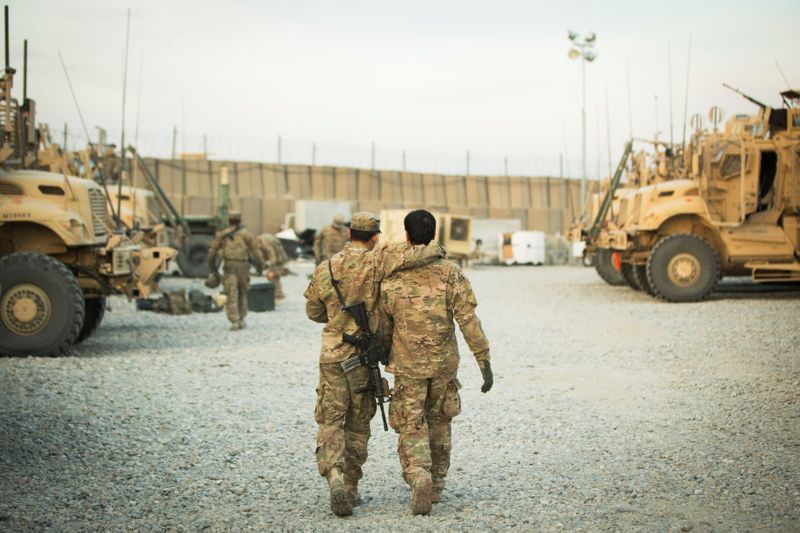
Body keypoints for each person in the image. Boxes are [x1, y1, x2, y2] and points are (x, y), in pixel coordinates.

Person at [304, 212, 444, 517]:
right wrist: (437, 250)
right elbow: (412, 257)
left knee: (330, 421)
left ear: (349, 234)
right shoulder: (377, 261)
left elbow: (313, 312)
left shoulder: (324, 268)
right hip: (361, 357)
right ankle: (351, 488)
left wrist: (335, 316)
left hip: (332, 357)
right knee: (357, 424)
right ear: (374, 236)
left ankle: (334, 477)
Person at [380, 209, 493, 515]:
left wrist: (382, 355)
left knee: (411, 423)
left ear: (406, 236)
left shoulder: (393, 277)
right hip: (443, 366)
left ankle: (419, 475)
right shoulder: (450, 273)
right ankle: (438, 485)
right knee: (441, 422)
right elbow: (468, 319)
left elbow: (384, 326)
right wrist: (484, 362)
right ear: (434, 235)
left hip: (408, 366)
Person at [206, 211, 264, 331]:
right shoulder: (246, 235)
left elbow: (212, 252)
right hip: (243, 267)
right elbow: (256, 252)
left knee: (231, 293)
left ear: (228, 221)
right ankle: (241, 318)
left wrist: (212, 268)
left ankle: (234, 321)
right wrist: (260, 267)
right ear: (240, 221)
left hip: (229, 267)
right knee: (242, 292)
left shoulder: (222, 235)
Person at [258, 233, 289, 300]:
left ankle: (277, 294)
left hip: (277, 260)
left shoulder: (264, 241)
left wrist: (270, 268)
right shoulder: (265, 237)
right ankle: (278, 293)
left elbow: (272, 254)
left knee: (272, 276)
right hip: (280, 258)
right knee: (275, 277)